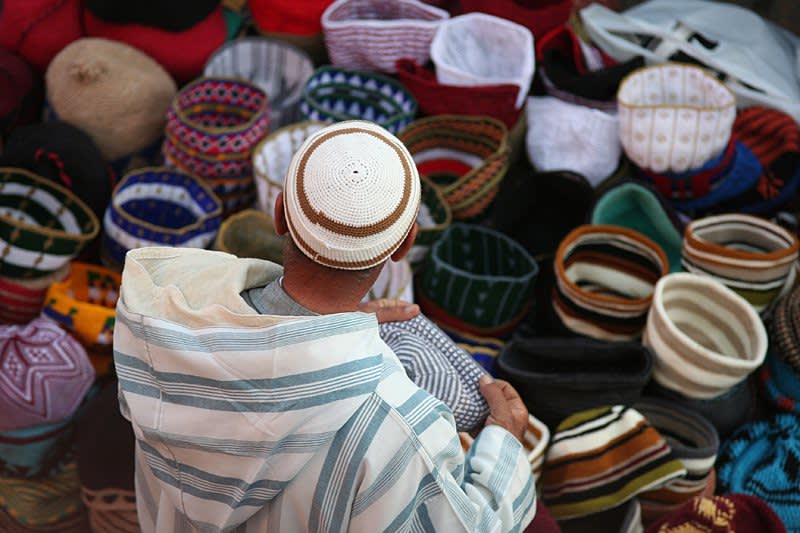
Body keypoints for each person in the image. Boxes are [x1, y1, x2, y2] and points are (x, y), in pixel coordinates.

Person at [114, 121, 537, 532]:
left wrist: (330, 332)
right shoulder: (397, 427)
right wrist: (506, 446)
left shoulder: (161, 316)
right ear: (405, 246)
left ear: (278, 214)